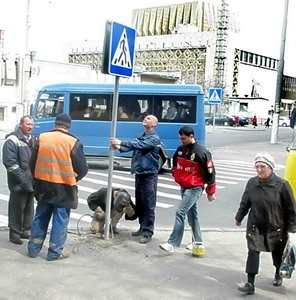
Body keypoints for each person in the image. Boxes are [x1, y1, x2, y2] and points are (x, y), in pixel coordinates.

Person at [28, 113, 88, 261]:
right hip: (64, 187)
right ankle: (54, 252)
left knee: (40, 216)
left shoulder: (41, 138)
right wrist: (74, 178)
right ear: (69, 126)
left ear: (55, 124)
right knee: (60, 220)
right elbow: (82, 168)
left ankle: (33, 249)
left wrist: (38, 178)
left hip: (43, 185)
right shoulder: (72, 142)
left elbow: (32, 163)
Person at [235, 153, 296, 295]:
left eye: (262, 166)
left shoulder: (282, 185)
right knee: (253, 252)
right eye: (257, 166)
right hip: (255, 226)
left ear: (270, 168)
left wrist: (292, 229)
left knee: (277, 252)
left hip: (276, 226)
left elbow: (291, 209)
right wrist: (239, 217)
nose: (259, 169)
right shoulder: (252, 183)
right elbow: (245, 202)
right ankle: (250, 283)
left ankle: (277, 273)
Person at [159, 126, 216, 254]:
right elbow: (174, 163)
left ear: (191, 136)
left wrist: (210, 192)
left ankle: (172, 243)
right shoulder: (180, 149)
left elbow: (210, 174)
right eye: (180, 138)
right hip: (184, 185)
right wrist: (176, 174)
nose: (181, 141)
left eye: (183, 138)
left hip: (195, 187)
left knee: (180, 212)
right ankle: (198, 241)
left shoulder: (202, 153)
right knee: (192, 215)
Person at [110, 115, 160, 244]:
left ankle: (148, 232)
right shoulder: (142, 135)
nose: (145, 119)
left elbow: (139, 145)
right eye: (145, 118)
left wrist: (121, 142)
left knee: (149, 204)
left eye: (148, 118)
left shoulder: (153, 138)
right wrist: (119, 147)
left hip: (149, 175)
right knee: (141, 203)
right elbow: (135, 146)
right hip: (140, 173)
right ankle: (142, 227)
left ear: (154, 124)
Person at [2, 116, 35, 244]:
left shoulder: (32, 140)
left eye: (32, 124)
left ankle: (25, 231)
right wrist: (23, 180)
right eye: (27, 124)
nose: (30, 127)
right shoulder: (12, 140)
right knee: (17, 208)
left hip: (30, 181)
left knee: (28, 207)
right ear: (20, 124)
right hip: (18, 183)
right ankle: (14, 233)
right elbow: (10, 163)